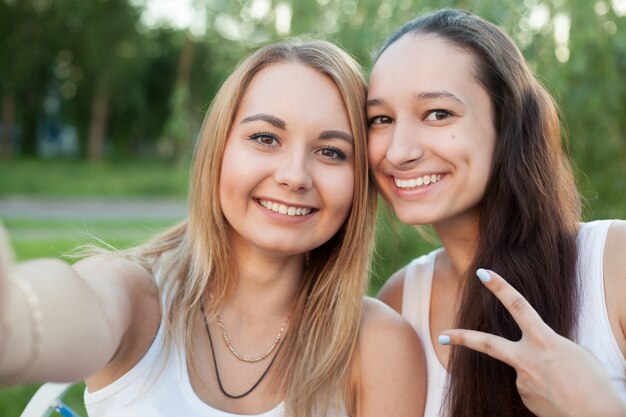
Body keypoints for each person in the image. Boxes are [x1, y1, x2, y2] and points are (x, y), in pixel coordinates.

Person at [0, 39, 427, 417]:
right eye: (265, 138)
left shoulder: (379, 347)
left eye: (331, 151)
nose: (295, 175)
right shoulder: (138, 297)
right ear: (217, 151)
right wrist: (19, 323)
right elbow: (79, 305)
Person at [367, 9, 626, 417]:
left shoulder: (614, 263)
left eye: (438, 113)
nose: (399, 151)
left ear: (507, 124)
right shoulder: (400, 302)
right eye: (380, 119)